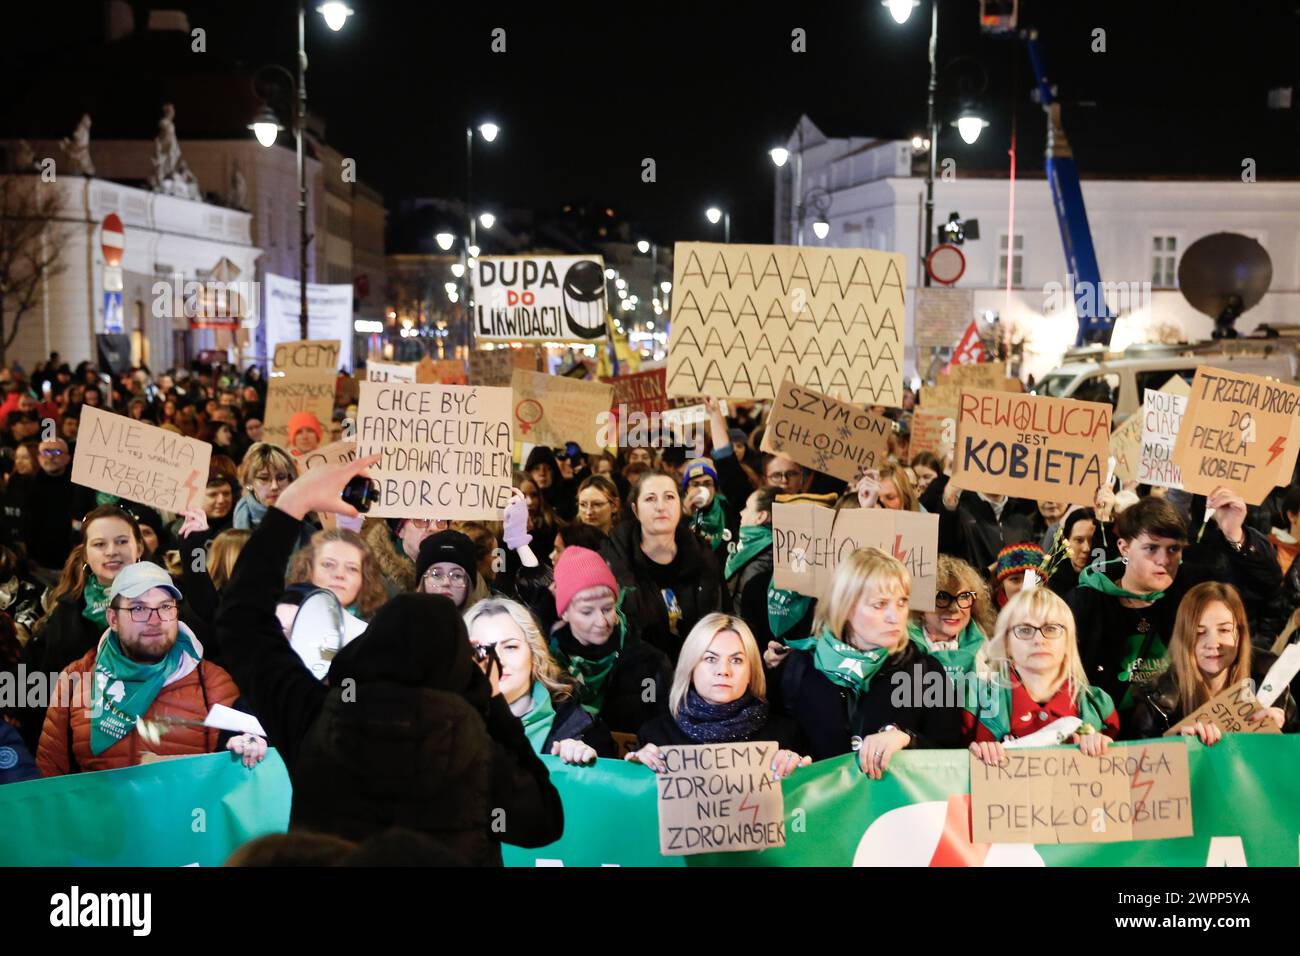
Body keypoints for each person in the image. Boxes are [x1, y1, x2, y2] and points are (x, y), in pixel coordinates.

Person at [214, 453, 563, 863]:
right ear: (460, 666)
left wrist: (293, 503)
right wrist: (493, 705)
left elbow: (242, 621)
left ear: (369, 646)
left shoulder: (318, 719)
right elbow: (543, 822)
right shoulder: (480, 747)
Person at [36, 562, 264, 775]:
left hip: (186, 817)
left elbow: (235, 777)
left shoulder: (214, 683)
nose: (155, 620)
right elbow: (49, 779)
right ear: (113, 618)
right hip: (99, 817)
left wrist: (251, 747)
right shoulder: (75, 680)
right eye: (138, 608)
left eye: (165, 607)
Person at [1067, 490, 1281, 716]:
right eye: (1151, 548)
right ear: (1124, 547)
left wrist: (1235, 535)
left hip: (1177, 730)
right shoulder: (1086, 601)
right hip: (1105, 736)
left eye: (1173, 549)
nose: (1164, 560)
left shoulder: (1191, 589)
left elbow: (1266, 585)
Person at [779, 548, 964, 772]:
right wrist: (786, 758)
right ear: (845, 606)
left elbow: (953, 758)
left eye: (902, 602)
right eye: (879, 604)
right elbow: (785, 742)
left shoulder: (925, 673)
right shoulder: (799, 668)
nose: (895, 617)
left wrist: (908, 740)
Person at [628, 613, 810, 777]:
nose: (723, 671)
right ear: (690, 669)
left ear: (751, 673)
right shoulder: (655, 736)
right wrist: (635, 776)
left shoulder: (786, 736)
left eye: (736, 660)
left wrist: (799, 775)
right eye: (710, 659)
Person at [966, 587, 1120, 764]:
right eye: (1025, 630)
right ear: (1006, 642)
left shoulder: (1099, 707)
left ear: (1068, 640)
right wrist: (968, 757)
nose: (1039, 639)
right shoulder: (974, 702)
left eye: (1051, 628)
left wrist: (1107, 749)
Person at [1127, 581, 1296, 740]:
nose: (1213, 643)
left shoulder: (1269, 675)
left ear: (1240, 633)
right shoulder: (1157, 698)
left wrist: (1282, 735)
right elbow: (1139, 764)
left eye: (1224, 629)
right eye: (1200, 632)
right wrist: (1175, 743)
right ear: (1184, 637)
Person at [464, 597, 615, 762]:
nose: (498, 660)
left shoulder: (584, 730)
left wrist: (585, 766)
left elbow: (612, 783)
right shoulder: (444, 725)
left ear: (534, 654)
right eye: (481, 649)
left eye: (510, 647)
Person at [602, 469, 726, 661]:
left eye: (669, 497)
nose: (661, 506)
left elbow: (722, 616)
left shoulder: (703, 557)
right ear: (635, 510)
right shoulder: (615, 561)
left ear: (681, 505)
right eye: (650, 499)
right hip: (639, 672)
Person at [549, 545, 672, 736]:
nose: (602, 621)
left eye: (607, 609)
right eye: (587, 612)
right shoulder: (547, 664)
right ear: (564, 612)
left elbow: (664, 726)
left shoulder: (649, 663)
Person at [907, 555, 991, 683]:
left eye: (963, 596)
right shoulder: (900, 648)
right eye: (942, 597)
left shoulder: (990, 652)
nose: (954, 608)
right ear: (921, 603)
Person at [287, 527, 387, 619]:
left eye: (352, 568)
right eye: (328, 564)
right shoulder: (278, 620)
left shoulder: (378, 631)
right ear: (309, 570)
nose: (340, 575)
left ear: (364, 578)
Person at [725, 486, 779, 651]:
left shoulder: (768, 552)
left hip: (749, 641)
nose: (741, 512)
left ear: (761, 516)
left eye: (747, 507)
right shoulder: (750, 546)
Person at [235, 443, 298, 532]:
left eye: (281, 478)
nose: (274, 486)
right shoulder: (233, 528)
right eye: (264, 478)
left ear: (290, 480)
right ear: (249, 483)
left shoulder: (309, 520)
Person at [415, 529, 479, 612]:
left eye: (456, 576)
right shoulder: (403, 623)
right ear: (422, 581)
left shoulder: (482, 624)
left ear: (468, 583)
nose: (446, 582)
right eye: (436, 575)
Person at [993, 542, 1045, 607]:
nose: (1024, 588)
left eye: (1032, 579)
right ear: (1002, 584)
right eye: (1015, 579)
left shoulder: (1056, 614)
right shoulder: (985, 614)